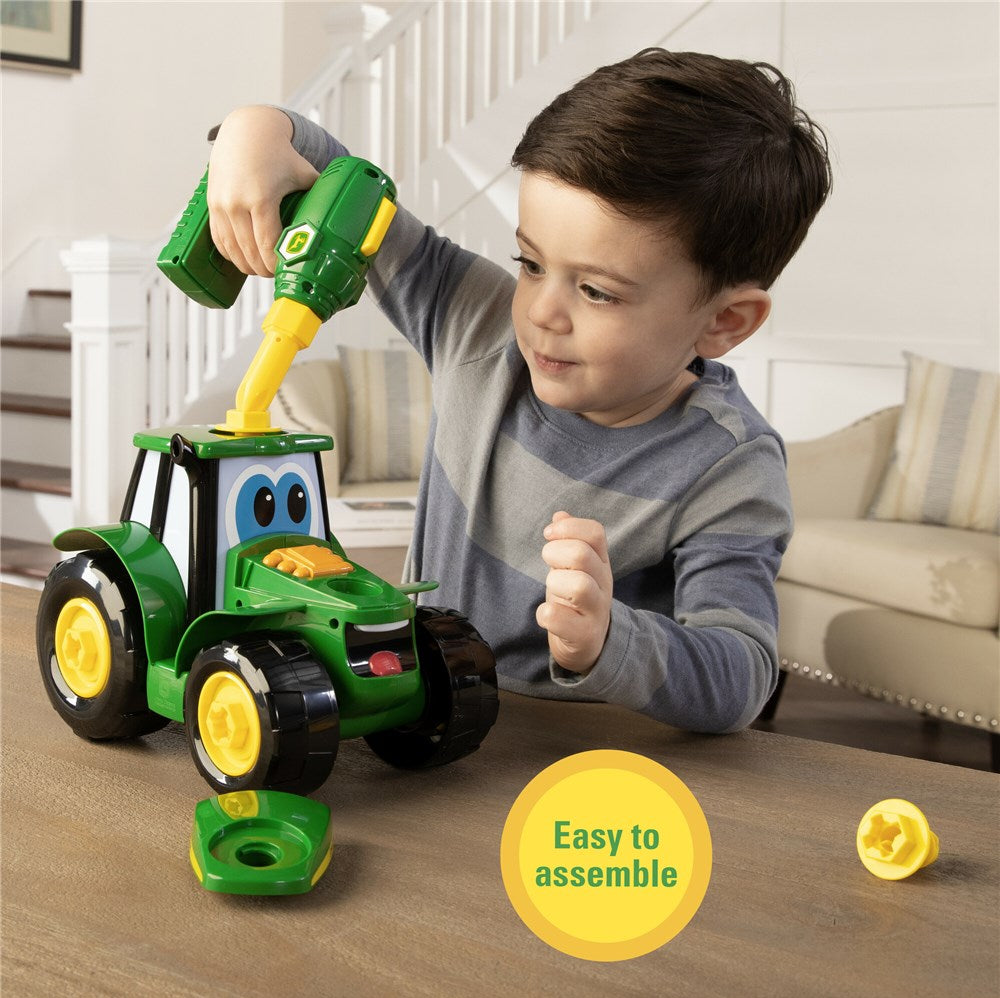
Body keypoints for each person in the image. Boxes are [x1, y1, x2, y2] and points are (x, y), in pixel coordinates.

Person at [206, 48, 832, 733]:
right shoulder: (472, 317)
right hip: (420, 726)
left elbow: (740, 674)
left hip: (574, 768)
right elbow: (346, 186)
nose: (541, 313)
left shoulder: (729, 467)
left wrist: (609, 638)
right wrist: (255, 129)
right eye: (531, 263)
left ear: (723, 322)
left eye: (596, 291)